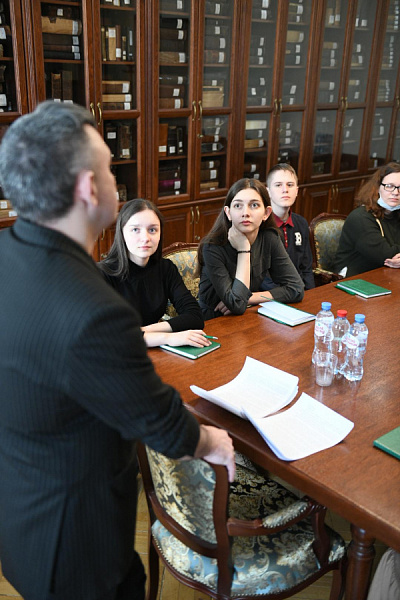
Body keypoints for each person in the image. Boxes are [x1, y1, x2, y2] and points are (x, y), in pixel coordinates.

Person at [0, 101, 235, 600]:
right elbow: (159, 421)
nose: (115, 180)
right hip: (78, 549)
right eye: (109, 167)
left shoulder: (10, 252)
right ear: (88, 187)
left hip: (22, 516)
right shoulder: (92, 311)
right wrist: (215, 443)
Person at [98, 198, 210, 349]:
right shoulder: (101, 274)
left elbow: (195, 317)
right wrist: (167, 337)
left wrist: (144, 331)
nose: (145, 238)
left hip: (153, 352)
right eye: (135, 230)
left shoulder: (165, 268)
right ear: (122, 233)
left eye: (152, 230)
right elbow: (109, 336)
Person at [197, 178, 304, 320]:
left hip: (246, 316)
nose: (245, 213)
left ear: (266, 213)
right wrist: (243, 249)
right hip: (212, 321)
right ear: (228, 213)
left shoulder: (269, 238)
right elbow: (237, 304)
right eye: (238, 206)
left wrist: (250, 297)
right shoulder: (213, 247)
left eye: (254, 205)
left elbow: (296, 289)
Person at [335, 162, 400, 277]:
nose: (395, 193)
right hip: (355, 277)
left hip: (388, 274)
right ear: (377, 188)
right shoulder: (360, 217)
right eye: (389, 186)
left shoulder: (396, 213)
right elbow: (385, 255)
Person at [265, 163, 315, 289]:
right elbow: (261, 277)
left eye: (290, 185)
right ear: (268, 191)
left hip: (298, 291)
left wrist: (311, 295)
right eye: (278, 185)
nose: (285, 190)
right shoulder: (260, 225)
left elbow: (306, 268)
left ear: (297, 191)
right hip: (270, 295)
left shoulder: (301, 223)